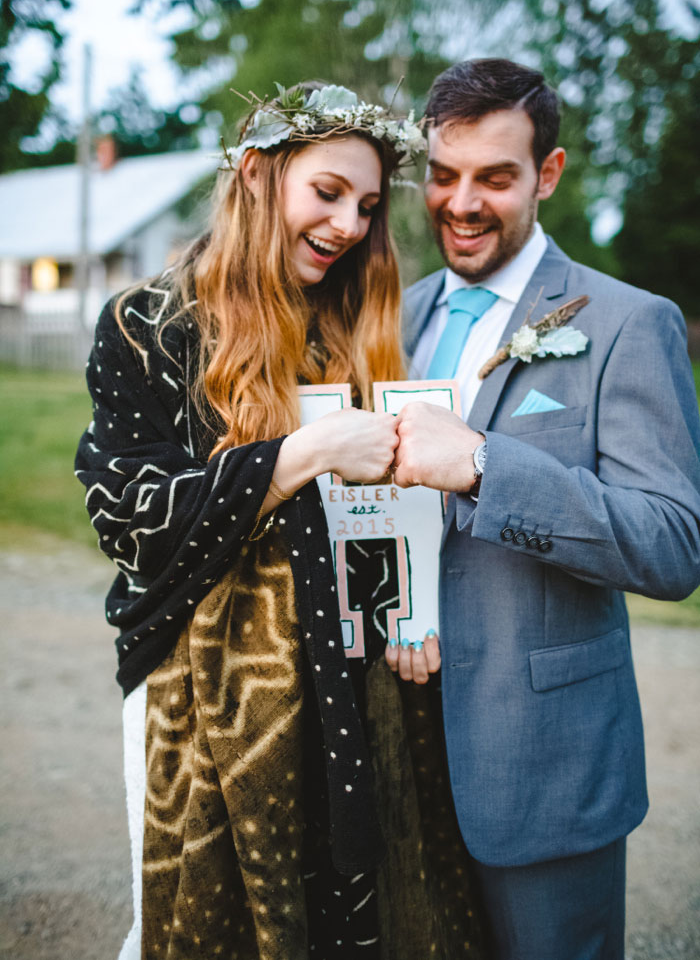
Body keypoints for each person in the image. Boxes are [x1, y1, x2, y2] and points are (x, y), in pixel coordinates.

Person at [75, 82, 482, 960]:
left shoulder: (345, 325)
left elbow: (370, 518)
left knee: (335, 916)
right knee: (188, 918)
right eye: (328, 193)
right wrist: (308, 448)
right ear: (257, 175)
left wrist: (402, 613)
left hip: (345, 673)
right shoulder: (147, 325)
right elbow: (132, 521)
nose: (348, 226)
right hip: (192, 673)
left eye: (368, 207)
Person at [384, 57, 700, 959]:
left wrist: (487, 465)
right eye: (444, 176)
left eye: (495, 177)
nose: (462, 201)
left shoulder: (628, 323)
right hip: (395, 754)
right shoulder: (392, 317)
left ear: (547, 176)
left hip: (544, 760)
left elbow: (674, 544)